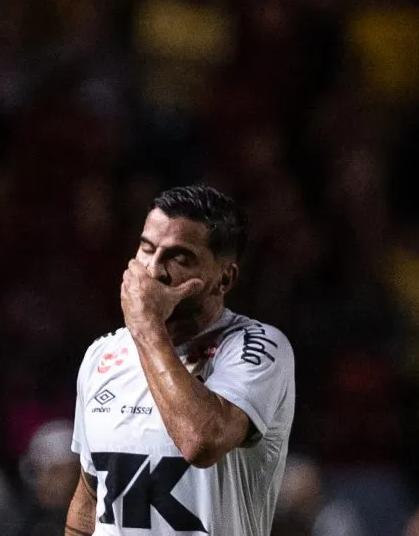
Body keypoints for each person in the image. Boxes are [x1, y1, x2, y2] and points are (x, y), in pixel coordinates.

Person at [66, 184, 296, 535]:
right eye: (146, 249)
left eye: (179, 257)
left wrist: (146, 327)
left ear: (225, 278)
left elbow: (201, 440)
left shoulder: (258, 347)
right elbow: (89, 502)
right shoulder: (102, 356)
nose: (154, 270)